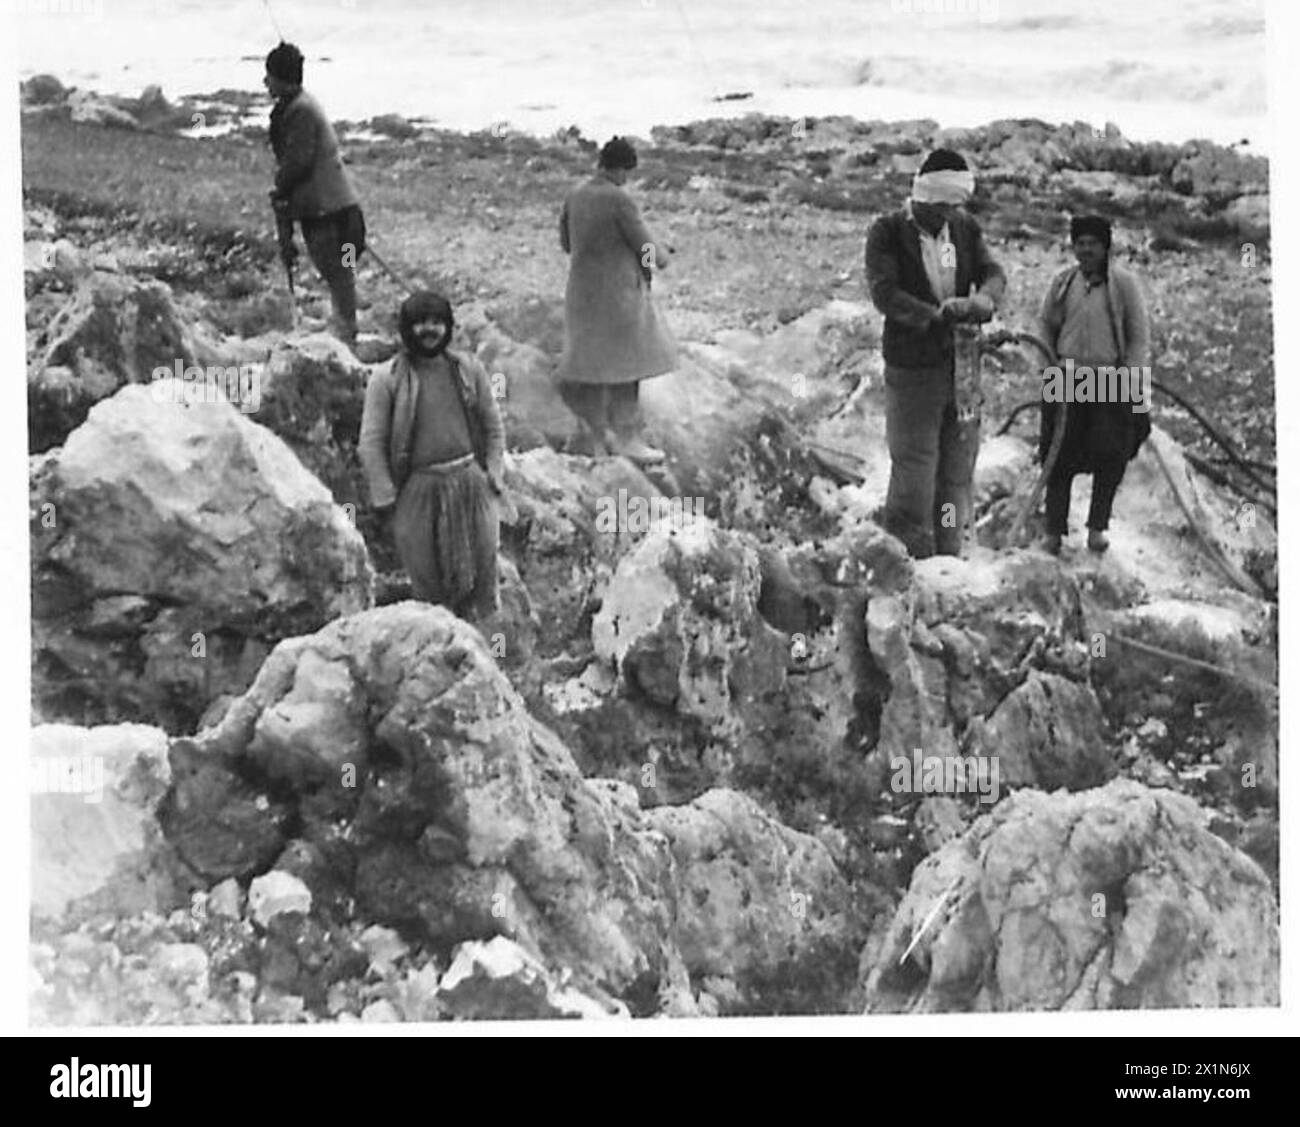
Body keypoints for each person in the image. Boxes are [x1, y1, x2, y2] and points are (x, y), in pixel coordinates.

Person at [864, 149, 1006, 559]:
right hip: (913, 367)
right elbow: (885, 293)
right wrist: (936, 315)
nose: (946, 215)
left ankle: (948, 554)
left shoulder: (962, 228)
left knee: (956, 472)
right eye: (941, 207)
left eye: (953, 207)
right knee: (915, 468)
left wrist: (983, 300)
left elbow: (992, 272)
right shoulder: (887, 231)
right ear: (922, 198)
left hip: (961, 366)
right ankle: (906, 556)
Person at [359, 291, 505, 620]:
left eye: (437, 322)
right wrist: (385, 497)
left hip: (471, 483)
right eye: (420, 323)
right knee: (428, 584)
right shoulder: (386, 379)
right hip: (417, 491)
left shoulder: (469, 369)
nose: (429, 330)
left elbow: (493, 426)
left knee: (483, 574)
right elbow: (371, 442)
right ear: (406, 329)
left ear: (449, 327)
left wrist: (494, 473)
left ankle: (487, 655)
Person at [557, 136, 676, 463]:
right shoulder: (619, 200)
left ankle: (597, 439)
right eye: (627, 171)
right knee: (629, 367)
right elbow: (646, 249)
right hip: (618, 298)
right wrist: (664, 256)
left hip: (582, 294)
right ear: (622, 169)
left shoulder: (576, 195)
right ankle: (628, 438)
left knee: (593, 367)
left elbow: (566, 243)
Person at [1037, 215, 1151, 555]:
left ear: (1105, 247)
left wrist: (1131, 379)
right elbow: (1045, 325)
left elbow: (1137, 336)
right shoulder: (1062, 283)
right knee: (1056, 456)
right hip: (1066, 377)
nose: (1086, 250)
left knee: (1110, 454)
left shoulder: (1124, 285)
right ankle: (1053, 532)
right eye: (1080, 244)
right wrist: (1048, 369)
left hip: (1110, 378)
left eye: (1093, 244)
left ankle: (1097, 528)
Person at [264, 41, 366, 346]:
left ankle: (347, 329)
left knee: (337, 266)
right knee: (342, 268)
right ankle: (347, 324)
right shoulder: (302, 105)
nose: (265, 82)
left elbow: (299, 160)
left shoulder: (300, 111)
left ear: (281, 78)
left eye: (268, 76)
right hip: (340, 205)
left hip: (328, 210)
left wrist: (280, 186)